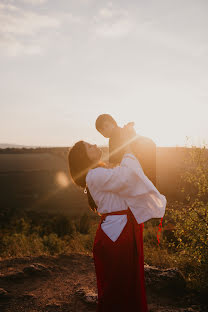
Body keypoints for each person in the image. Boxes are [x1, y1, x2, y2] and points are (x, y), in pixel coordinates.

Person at [68, 135, 166, 312]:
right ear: (84, 157)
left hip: (120, 228)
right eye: (89, 146)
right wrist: (127, 152)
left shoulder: (99, 173)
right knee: (119, 283)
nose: (95, 144)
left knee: (125, 280)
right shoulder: (94, 174)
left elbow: (126, 181)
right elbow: (127, 177)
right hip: (118, 233)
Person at [95, 114, 157, 186]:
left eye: (106, 126)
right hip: (147, 166)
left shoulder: (114, 137)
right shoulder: (125, 132)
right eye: (101, 131)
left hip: (137, 171)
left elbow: (113, 164)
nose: (104, 131)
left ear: (113, 123)